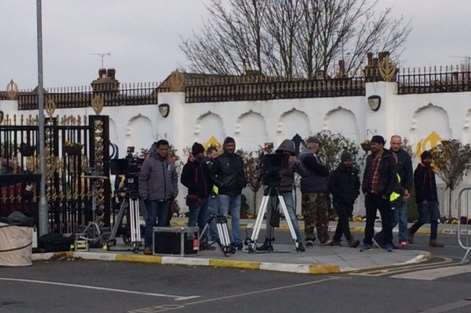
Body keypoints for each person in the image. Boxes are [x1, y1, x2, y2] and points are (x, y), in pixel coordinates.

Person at [257, 139, 305, 252]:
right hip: (275, 188)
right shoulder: (275, 159)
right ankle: (269, 241)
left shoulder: (292, 161)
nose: (285, 154)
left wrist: (297, 163)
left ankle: (298, 241)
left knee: (290, 216)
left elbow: (303, 172)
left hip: (284, 189)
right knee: (271, 216)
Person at [139, 140, 178, 255]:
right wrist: (144, 194)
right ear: (157, 149)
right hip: (152, 198)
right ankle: (148, 246)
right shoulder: (149, 162)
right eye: (162, 149)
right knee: (150, 222)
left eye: (166, 149)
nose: (164, 151)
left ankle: (160, 246)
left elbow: (174, 178)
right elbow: (142, 179)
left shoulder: (170, 162)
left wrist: (174, 191)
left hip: (166, 198)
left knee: (162, 223)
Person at [374, 135, 413, 248]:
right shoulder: (386, 155)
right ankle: (381, 237)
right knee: (393, 219)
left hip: (403, 192)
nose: (396, 146)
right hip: (390, 192)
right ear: (390, 143)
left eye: (398, 143)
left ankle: (403, 240)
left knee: (403, 218)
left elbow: (409, 174)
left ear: (400, 144)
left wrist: (408, 190)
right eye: (394, 143)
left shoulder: (405, 156)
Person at [361, 135, 397, 252]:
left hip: (382, 194)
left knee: (386, 220)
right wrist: (365, 188)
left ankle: (388, 242)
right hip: (370, 193)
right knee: (370, 220)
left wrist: (387, 192)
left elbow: (392, 177)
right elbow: (367, 174)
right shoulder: (370, 158)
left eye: (375, 144)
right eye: (372, 144)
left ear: (381, 145)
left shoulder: (389, 158)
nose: (372, 146)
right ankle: (367, 241)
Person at [212, 137, 246, 250]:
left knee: (236, 218)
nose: (231, 148)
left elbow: (242, 173)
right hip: (224, 193)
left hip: (237, 192)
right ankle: (225, 240)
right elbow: (212, 175)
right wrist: (220, 184)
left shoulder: (238, 159)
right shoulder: (219, 160)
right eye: (229, 146)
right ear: (224, 146)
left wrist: (243, 182)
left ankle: (237, 241)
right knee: (223, 218)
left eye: (232, 145)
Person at [181, 142, 214, 250]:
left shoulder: (204, 165)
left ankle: (203, 242)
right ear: (196, 154)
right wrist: (195, 187)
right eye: (200, 153)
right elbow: (183, 180)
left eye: (202, 152)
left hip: (205, 197)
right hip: (195, 198)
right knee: (193, 222)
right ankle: (191, 244)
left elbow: (209, 178)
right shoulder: (189, 166)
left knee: (203, 221)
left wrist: (209, 190)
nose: (202, 155)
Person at [408, 151, 444, 247]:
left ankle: (433, 240)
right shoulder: (419, 171)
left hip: (432, 199)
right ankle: (411, 231)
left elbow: (433, 186)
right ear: (422, 159)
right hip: (423, 200)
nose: (428, 160)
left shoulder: (430, 171)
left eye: (429, 159)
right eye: (426, 159)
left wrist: (436, 199)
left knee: (435, 219)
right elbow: (418, 187)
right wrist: (422, 199)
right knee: (423, 219)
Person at [300, 136, 331, 247]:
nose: (317, 147)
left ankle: (323, 237)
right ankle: (310, 237)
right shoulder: (306, 156)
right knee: (310, 214)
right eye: (315, 144)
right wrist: (324, 170)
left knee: (322, 214)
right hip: (310, 189)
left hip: (320, 188)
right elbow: (320, 169)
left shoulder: (315, 156)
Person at [328, 151, 360, 248]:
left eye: (350, 160)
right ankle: (350, 239)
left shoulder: (354, 173)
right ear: (342, 161)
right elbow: (332, 187)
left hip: (350, 201)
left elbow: (356, 185)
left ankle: (336, 239)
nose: (348, 163)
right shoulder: (335, 173)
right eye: (346, 161)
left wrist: (354, 195)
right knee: (344, 219)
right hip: (339, 200)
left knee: (342, 220)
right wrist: (340, 196)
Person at [205, 146, 221, 243]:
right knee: (211, 215)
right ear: (209, 154)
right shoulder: (208, 164)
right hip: (211, 193)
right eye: (214, 154)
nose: (216, 156)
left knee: (213, 215)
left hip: (214, 192)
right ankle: (212, 237)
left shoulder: (215, 163)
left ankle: (212, 236)